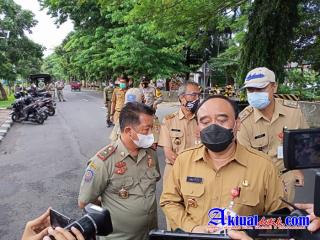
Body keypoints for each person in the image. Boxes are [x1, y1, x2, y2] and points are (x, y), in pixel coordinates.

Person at [160, 95, 286, 233]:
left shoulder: (264, 167)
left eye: (222, 120)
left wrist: (247, 229)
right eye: (205, 121)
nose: (213, 127)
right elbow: (170, 201)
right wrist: (193, 228)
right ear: (197, 129)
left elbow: (279, 217)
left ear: (237, 124)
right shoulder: (184, 161)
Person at [78, 102, 161, 240]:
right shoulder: (103, 162)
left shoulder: (150, 154)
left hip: (150, 234)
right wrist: (113, 208)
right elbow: (85, 202)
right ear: (129, 131)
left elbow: (153, 182)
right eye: (146, 129)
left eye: (152, 128)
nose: (151, 134)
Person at [237, 67, 309, 202]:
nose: (254, 94)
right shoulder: (244, 120)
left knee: (282, 219)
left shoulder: (293, 112)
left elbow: (302, 143)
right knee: (257, 221)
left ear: (274, 87)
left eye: (260, 89)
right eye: (250, 90)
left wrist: (296, 168)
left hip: (285, 178)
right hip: (255, 180)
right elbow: (242, 158)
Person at [158, 81, 201, 181]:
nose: (198, 99)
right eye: (194, 95)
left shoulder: (203, 121)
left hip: (198, 172)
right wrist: (186, 168)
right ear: (182, 98)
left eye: (199, 95)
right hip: (174, 172)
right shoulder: (169, 120)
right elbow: (168, 153)